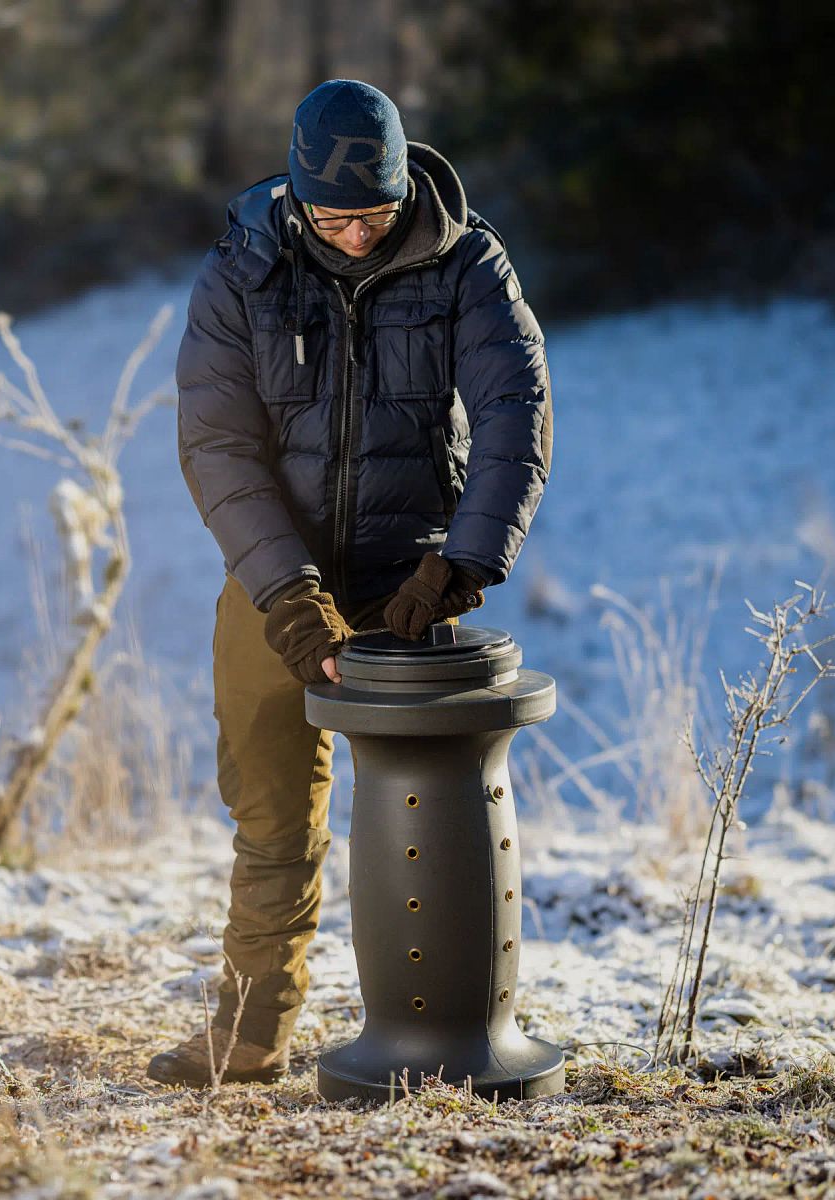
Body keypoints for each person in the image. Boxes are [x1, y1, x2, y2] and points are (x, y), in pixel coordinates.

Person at [153, 78, 553, 1086]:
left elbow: (515, 411)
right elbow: (216, 445)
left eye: (374, 213)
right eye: (334, 219)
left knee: (428, 813)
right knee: (271, 820)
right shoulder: (242, 271)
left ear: (404, 184)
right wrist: (287, 594)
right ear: (296, 196)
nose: (357, 235)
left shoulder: (466, 261)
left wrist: (464, 561)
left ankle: (441, 1043)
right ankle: (251, 1034)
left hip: (411, 583)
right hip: (274, 586)